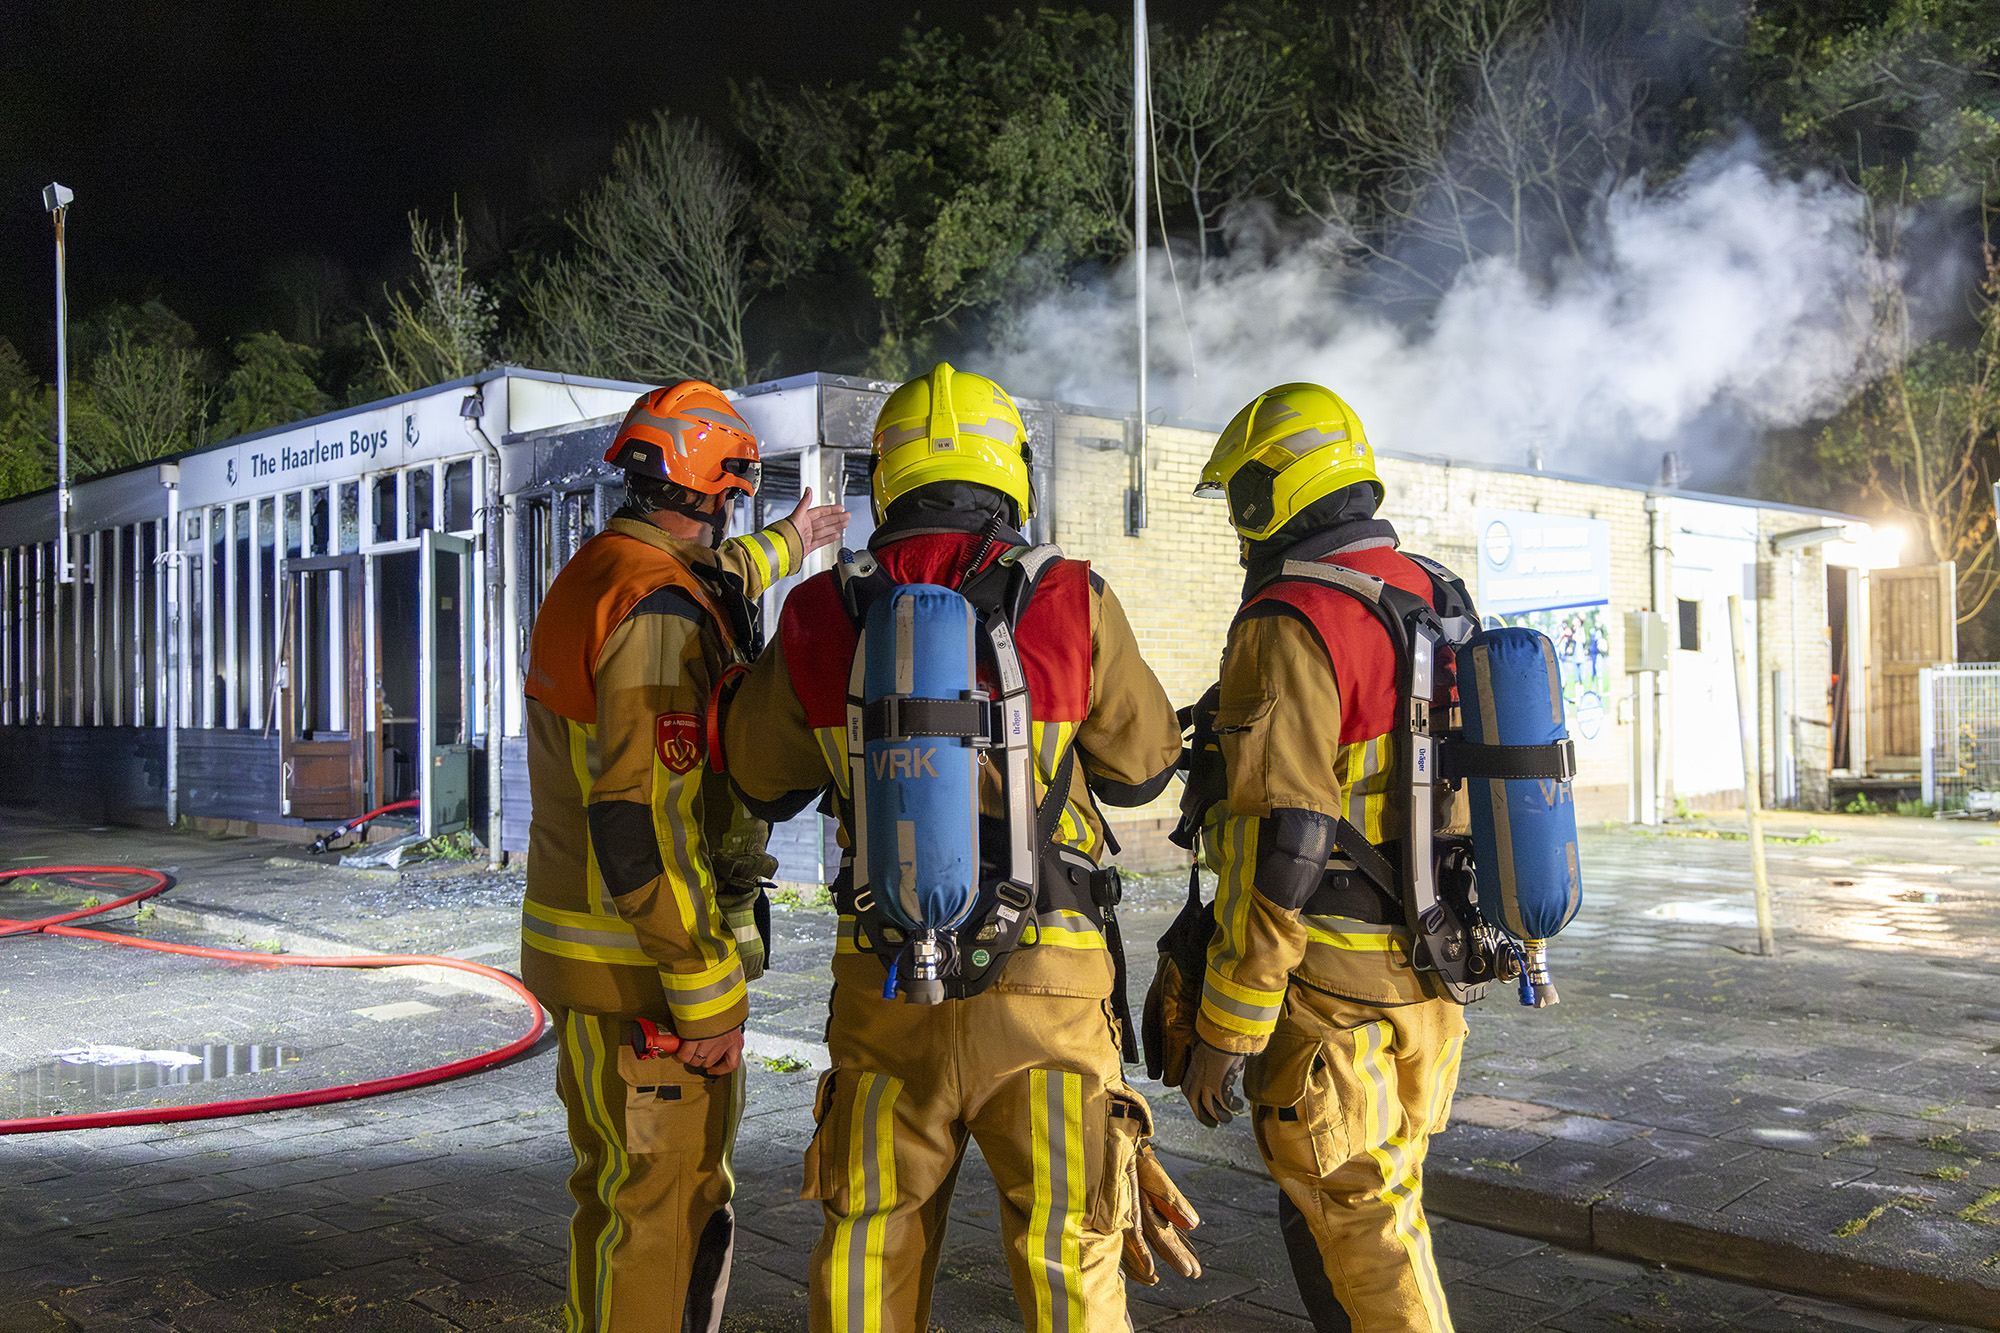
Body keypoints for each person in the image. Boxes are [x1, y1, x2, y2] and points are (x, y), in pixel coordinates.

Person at [723, 363, 1192, 1333]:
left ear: (882, 479)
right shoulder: (1069, 596)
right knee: (1071, 1259)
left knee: (867, 1248)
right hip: (1051, 999)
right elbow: (1146, 764)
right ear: (1010, 471)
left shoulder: (820, 613)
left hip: (888, 984)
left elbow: (757, 778)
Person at [521, 380, 850, 1333]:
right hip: (650, 984)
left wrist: (795, 539)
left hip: (589, 970)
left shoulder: (607, 568)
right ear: (717, 486)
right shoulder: (660, 614)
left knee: (614, 1203)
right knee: (670, 1221)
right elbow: (640, 821)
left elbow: (722, 573)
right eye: (737, 494)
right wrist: (707, 992)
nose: (737, 513)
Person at [1178, 383, 1471, 1333]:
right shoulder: (1431, 593)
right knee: (1373, 1205)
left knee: (1363, 1226)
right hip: (1431, 979)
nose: (1236, 521)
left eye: (1243, 496)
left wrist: (1229, 1019)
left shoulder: (1288, 616)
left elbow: (1284, 841)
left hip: (1333, 998)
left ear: (1276, 493)